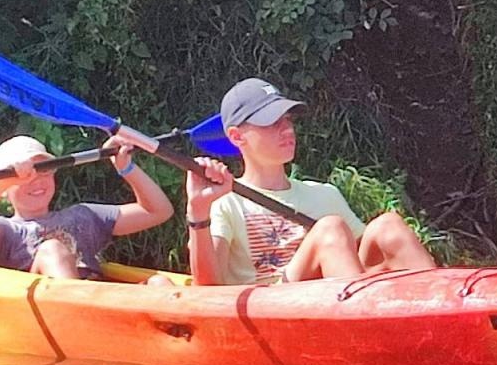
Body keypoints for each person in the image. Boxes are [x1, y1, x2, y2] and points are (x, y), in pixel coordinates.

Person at [184, 78, 436, 285]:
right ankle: (360, 332)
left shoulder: (325, 195)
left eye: (288, 120)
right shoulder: (224, 203)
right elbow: (208, 289)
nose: (288, 130)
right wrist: (197, 210)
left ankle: (445, 311)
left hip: (339, 296)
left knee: (388, 225)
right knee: (331, 230)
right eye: (272, 123)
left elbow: (364, 260)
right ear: (237, 137)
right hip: (274, 313)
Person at [0, 134, 174, 281]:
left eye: (43, 170)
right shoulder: (6, 231)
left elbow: (158, 211)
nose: (36, 180)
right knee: (52, 249)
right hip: (58, 308)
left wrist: (126, 167)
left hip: (97, 298)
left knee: (159, 283)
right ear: (4, 189)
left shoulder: (84, 216)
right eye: (23, 177)